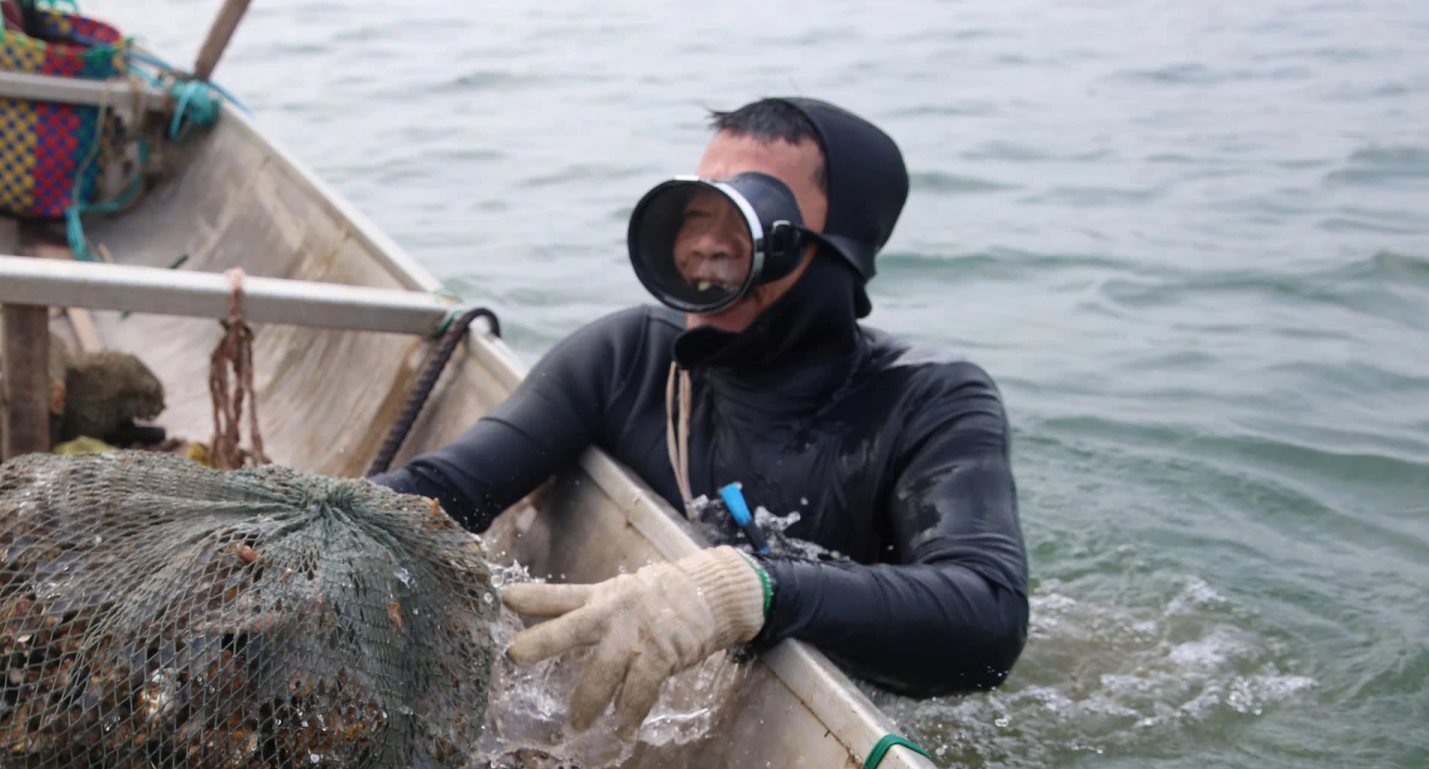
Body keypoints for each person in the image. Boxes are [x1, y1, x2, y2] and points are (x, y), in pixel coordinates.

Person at [375, 97, 1028, 735]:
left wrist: (747, 590)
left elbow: (988, 621)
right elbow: (442, 491)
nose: (709, 246)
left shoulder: (928, 400)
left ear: (838, 248)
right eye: (696, 211)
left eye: (751, 213)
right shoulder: (629, 357)